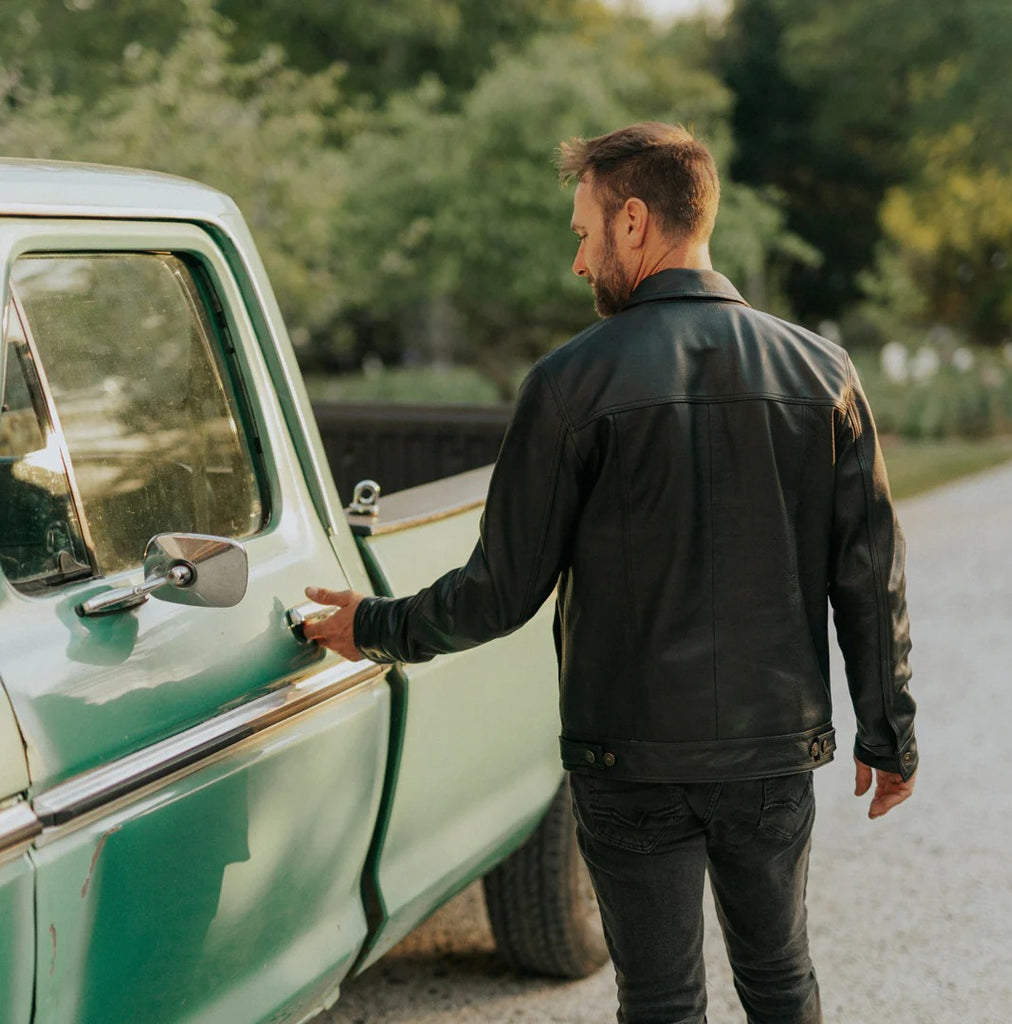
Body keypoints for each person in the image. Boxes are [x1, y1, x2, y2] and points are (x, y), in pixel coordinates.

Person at [304, 121, 917, 1024]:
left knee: (661, 1001)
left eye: (585, 232)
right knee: (782, 980)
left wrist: (374, 625)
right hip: (769, 753)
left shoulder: (569, 384)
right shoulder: (822, 373)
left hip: (626, 756)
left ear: (634, 222)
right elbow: (870, 574)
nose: (580, 261)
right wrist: (887, 729)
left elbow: (500, 591)